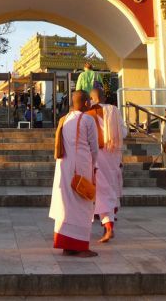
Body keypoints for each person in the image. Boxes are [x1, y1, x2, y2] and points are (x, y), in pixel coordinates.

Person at [49, 90, 98, 257]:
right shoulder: (88, 119)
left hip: (64, 167)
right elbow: (94, 148)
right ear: (85, 103)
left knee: (66, 206)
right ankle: (80, 247)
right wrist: (95, 166)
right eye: (89, 101)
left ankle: (67, 246)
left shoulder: (64, 119)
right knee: (82, 204)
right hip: (81, 167)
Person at [87, 87, 126, 243]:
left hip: (98, 155)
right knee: (112, 188)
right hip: (114, 154)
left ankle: (109, 227)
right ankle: (108, 223)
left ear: (92, 98)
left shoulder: (89, 113)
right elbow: (124, 133)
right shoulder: (114, 110)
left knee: (103, 192)